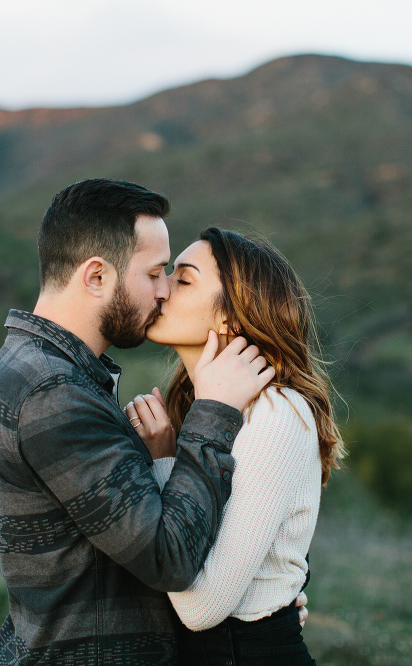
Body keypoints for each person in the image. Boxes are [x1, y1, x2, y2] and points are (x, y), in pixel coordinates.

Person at [0, 179, 277, 666]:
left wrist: (262, 604)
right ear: (96, 276)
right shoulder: (53, 392)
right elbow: (169, 558)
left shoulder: (46, 367)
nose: (164, 292)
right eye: (156, 273)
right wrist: (214, 411)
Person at [125, 228, 344, 666]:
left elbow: (201, 610)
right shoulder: (194, 406)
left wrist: (166, 463)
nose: (162, 287)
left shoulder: (276, 414)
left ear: (232, 318)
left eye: (183, 279)